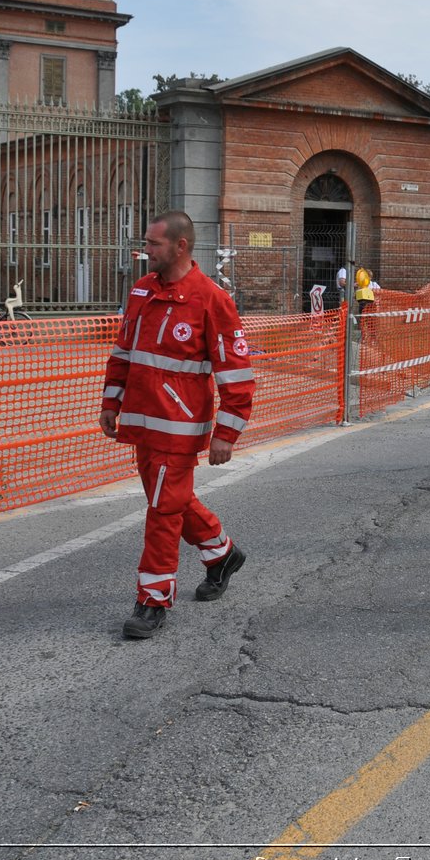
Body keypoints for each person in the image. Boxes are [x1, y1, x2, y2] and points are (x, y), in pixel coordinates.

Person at [100, 211, 256, 640]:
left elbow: (236, 374)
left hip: (180, 428)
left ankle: (152, 601)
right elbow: (124, 350)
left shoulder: (211, 299)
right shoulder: (142, 290)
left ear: (180, 246)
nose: (145, 250)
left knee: (163, 510)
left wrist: (227, 433)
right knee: (170, 498)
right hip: (142, 423)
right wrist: (111, 400)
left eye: (153, 244)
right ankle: (221, 555)